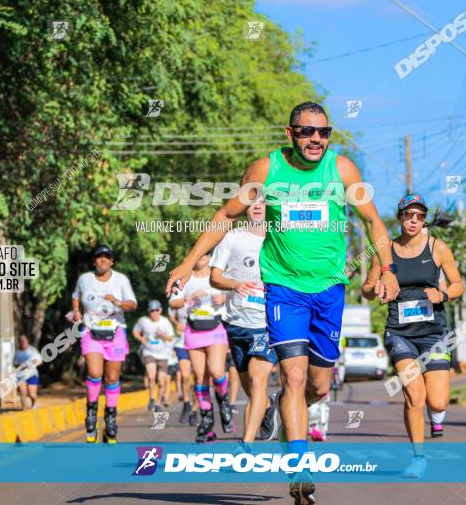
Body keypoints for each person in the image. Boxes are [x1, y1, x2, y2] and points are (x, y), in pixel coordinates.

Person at [167, 101, 399, 504]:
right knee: (292, 377)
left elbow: (373, 222)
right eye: (307, 132)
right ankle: (299, 469)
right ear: (290, 134)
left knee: (319, 386)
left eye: (323, 133)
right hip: (282, 288)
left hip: (328, 289)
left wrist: (388, 268)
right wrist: (189, 263)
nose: (316, 140)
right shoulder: (265, 170)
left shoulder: (342, 170)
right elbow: (225, 215)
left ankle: (282, 406)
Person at [363, 194, 464, 478]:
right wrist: (377, 290)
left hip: (433, 333)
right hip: (400, 333)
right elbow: (367, 288)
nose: (414, 221)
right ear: (400, 218)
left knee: (438, 402)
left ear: (424, 220)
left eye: (419, 216)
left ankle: (437, 417)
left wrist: (442, 293)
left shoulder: (438, 248)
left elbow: (458, 285)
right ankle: (418, 458)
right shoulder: (386, 252)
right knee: (414, 396)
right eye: (409, 215)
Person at [209, 200, 279, 449]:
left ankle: (246, 444)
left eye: (263, 202)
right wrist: (234, 284)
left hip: (268, 324)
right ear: (245, 208)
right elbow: (214, 277)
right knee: (250, 386)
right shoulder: (232, 238)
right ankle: (269, 407)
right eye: (252, 203)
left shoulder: (279, 237)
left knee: (259, 381)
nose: (258, 207)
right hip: (236, 323)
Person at [71, 244, 137, 444]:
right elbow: (76, 297)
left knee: (112, 377)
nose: (103, 260)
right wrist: (76, 311)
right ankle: (91, 413)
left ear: (112, 261)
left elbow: (132, 304)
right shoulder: (84, 279)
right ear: (94, 261)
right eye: (99, 257)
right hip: (91, 332)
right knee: (95, 372)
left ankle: (110, 418)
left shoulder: (121, 280)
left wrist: (117, 302)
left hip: (115, 332)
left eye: (106, 257)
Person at [169, 251, 230, 442]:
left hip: (216, 328)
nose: (202, 259)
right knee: (201, 378)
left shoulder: (218, 274)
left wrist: (224, 298)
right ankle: (207, 421)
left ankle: (224, 403)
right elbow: (173, 303)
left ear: (210, 257)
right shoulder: (184, 277)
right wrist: (189, 299)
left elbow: (234, 291)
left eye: (206, 255)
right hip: (194, 331)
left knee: (218, 372)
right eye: (199, 255)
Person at [132, 300, 175, 413]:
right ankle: (151, 397)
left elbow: (171, 338)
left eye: (156, 310)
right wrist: (141, 338)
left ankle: (158, 403)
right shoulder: (143, 321)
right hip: (149, 352)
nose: (154, 313)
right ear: (149, 311)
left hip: (163, 354)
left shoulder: (165, 322)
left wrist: (163, 335)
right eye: (152, 311)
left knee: (161, 381)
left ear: (160, 310)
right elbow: (135, 331)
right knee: (151, 377)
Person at [168, 293, 197, 425]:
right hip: (182, 343)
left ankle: (195, 410)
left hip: (199, 341)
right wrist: (176, 323)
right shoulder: (177, 296)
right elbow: (170, 312)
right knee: (185, 376)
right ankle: (187, 404)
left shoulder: (200, 291)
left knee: (199, 378)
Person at [13, 335, 41, 410]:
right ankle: (24, 409)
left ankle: (34, 404)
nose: (23, 342)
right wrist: (22, 366)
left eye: (24, 340)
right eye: (21, 341)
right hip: (22, 375)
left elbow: (41, 362)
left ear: (27, 341)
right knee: (23, 393)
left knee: (32, 395)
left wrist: (33, 363)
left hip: (32, 375)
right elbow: (14, 364)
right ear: (19, 342)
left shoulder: (33, 350)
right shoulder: (17, 352)